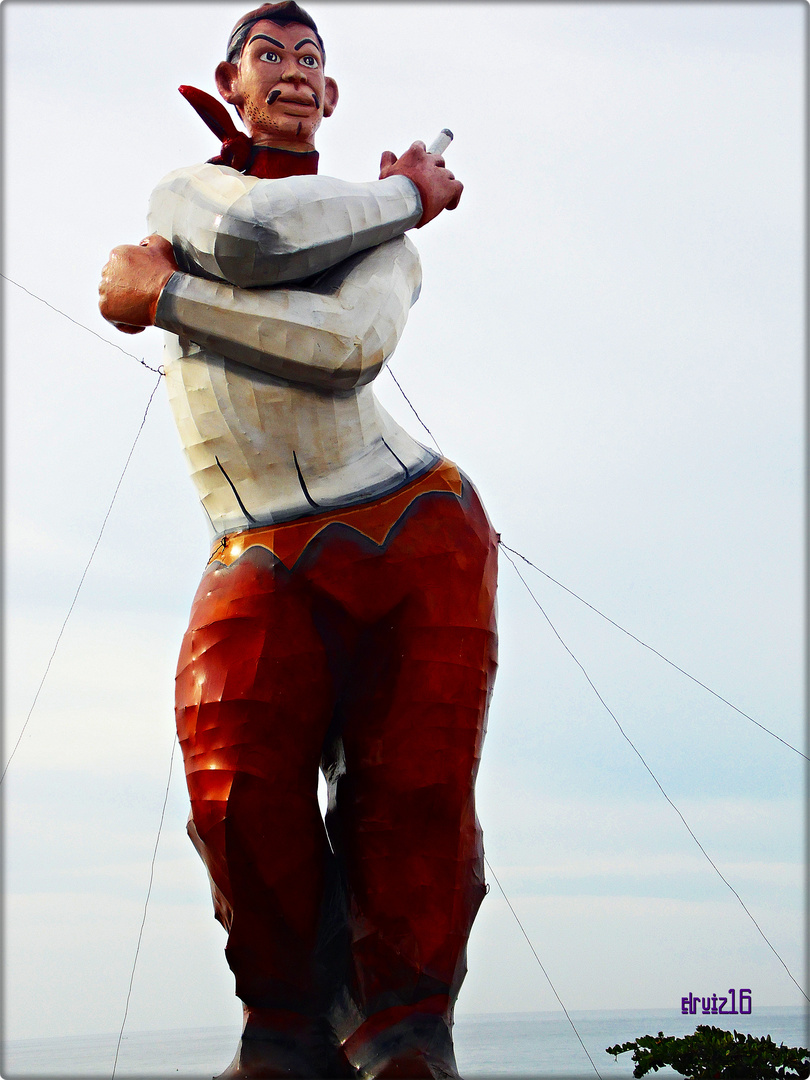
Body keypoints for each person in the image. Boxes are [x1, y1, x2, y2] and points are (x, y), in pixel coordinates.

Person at [99, 5, 497, 1077]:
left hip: (416, 522)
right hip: (260, 544)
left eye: (310, 61)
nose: (290, 72)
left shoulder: (379, 238)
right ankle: (283, 1026)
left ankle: (402, 1027)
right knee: (233, 784)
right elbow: (252, 234)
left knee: (413, 793)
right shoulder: (188, 195)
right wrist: (408, 196)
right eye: (267, 56)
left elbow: (347, 344)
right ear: (227, 85)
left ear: (332, 99)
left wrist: (169, 296)